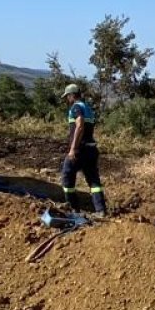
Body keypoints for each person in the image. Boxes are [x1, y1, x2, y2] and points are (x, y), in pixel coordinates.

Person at [61, 84, 106, 215]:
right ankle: (101, 210)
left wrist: (73, 148)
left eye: (67, 96)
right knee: (93, 180)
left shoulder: (76, 107)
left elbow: (80, 125)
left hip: (80, 150)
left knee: (67, 176)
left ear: (71, 95)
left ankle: (73, 209)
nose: (67, 99)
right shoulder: (88, 108)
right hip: (91, 149)